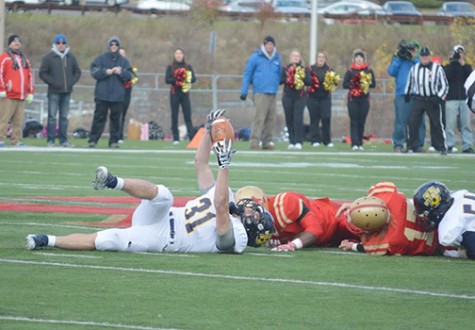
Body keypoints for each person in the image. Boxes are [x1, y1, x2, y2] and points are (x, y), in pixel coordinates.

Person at [26, 110, 248, 254]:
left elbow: (220, 208)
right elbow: (200, 163)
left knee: (109, 240)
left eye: (255, 211)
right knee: (164, 195)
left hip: (161, 238)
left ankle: (47, 240)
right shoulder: (225, 194)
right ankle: (113, 181)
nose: (251, 205)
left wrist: (224, 165)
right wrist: (209, 132)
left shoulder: (236, 235)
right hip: (163, 216)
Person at [234, 186, 357, 251]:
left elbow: (315, 229)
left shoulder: (284, 203)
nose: (250, 219)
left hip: (333, 219)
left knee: (360, 224)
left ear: (262, 202)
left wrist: (293, 245)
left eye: (252, 212)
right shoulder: (253, 225)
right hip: (327, 241)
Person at [338, 181, 439, 256]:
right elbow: (374, 197)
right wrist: (358, 206)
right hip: (438, 216)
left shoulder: (389, 241)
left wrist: (351, 246)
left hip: (438, 245)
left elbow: (366, 247)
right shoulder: (389, 196)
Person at [88, 36, 132, 149]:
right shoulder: (101, 58)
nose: (114, 47)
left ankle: (114, 141)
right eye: (112, 44)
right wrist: (105, 72)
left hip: (117, 96)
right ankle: (93, 140)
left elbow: (130, 76)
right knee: (99, 118)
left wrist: (121, 72)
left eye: (116, 45)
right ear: (109, 46)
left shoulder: (124, 61)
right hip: (102, 95)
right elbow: (94, 71)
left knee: (116, 120)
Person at [413, 181, 475, 259]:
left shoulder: (451, 226)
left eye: (425, 214)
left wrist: (464, 254)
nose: (424, 218)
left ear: (436, 211)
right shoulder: (461, 196)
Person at [39, 33, 82, 148]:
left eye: (63, 43)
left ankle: (63, 141)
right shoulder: (49, 57)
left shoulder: (71, 57)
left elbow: (77, 71)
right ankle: (51, 140)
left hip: (66, 92)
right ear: (55, 44)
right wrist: (52, 82)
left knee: (64, 117)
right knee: (52, 117)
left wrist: (71, 82)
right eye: (58, 43)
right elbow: (42, 73)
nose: (61, 45)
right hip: (53, 92)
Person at [405, 46, 449, 155]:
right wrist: (407, 93)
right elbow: (410, 82)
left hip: (432, 98)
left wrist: (439, 97)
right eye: (422, 56)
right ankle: (411, 146)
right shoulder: (414, 68)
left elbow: (445, 85)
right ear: (420, 57)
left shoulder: (437, 69)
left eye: (426, 56)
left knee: (437, 124)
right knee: (412, 122)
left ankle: (442, 146)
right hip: (419, 98)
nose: (424, 58)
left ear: (430, 57)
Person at [240, 36, 282, 150]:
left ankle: (267, 141)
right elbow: (247, 74)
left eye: (271, 44)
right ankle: (254, 141)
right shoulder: (256, 57)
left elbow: (279, 74)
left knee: (271, 118)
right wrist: (244, 90)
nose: (270, 46)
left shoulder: (277, 58)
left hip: (272, 92)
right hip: (260, 92)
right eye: (268, 44)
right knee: (259, 117)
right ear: (264, 45)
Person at [387, 40, 426, 153]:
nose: (412, 51)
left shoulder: (418, 59)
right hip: (402, 94)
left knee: (419, 121)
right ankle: (398, 144)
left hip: (417, 93)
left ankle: (417, 145)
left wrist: (412, 58)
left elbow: (422, 68)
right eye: (410, 49)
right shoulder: (399, 59)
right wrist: (399, 58)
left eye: (414, 49)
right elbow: (391, 71)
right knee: (401, 121)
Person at [0, 34, 34, 148]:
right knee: (3, 119)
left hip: (21, 95)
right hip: (8, 95)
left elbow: (30, 76)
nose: (17, 43)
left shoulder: (24, 59)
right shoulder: (4, 57)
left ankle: (17, 140)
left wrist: (30, 92)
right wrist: (2, 89)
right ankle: (1, 139)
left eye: (19, 41)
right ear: (10, 43)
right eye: (14, 41)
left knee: (18, 121)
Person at [342, 49, 376, 151]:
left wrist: (364, 83)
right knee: (354, 121)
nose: (359, 59)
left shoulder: (368, 71)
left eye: (361, 57)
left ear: (364, 59)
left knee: (362, 121)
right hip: (353, 100)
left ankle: (360, 143)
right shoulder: (350, 71)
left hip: (364, 100)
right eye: (357, 57)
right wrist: (354, 84)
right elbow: (345, 84)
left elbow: (373, 84)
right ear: (354, 59)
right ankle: (354, 143)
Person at [443, 45, 473, 154]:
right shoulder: (449, 67)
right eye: (458, 52)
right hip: (451, 98)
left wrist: (463, 64)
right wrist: (453, 63)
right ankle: (450, 144)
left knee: (466, 124)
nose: (460, 55)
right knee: (450, 124)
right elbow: (446, 75)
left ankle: (467, 145)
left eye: (461, 52)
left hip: (464, 99)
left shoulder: (466, 67)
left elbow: (470, 76)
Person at [306, 51, 339, 148]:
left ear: (325, 59)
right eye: (319, 57)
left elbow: (335, 83)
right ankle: (314, 140)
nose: (321, 59)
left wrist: (331, 83)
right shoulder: (309, 69)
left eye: (323, 57)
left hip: (325, 98)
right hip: (312, 98)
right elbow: (306, 81)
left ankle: (327, 141)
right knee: (314, 119)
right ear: (316, 58)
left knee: (326, 118)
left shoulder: (329, 70)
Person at [165, 48, 196, 144]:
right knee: (174, 115)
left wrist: (185, 80)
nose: (178, 55)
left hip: (185, 94)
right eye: (177, 53)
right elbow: (167, 79)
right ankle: (175, 138)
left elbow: (193, 79)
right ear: (174, 56)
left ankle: (191, 137)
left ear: (183, 55)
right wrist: (176, 80)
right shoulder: (170, 67)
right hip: (175, 94)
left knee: (188, 115)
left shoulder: (188, 66)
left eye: (180, 53)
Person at [280, 49, 310, 150]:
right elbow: (280, 80)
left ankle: (299, 141)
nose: (296, 57)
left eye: (298, 56)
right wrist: (288, 78)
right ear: (290, 57)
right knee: (289, 118)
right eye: (294, 56)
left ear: (300, 57)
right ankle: (291, 141)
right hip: (287, 96)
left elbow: (309, 82)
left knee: (298, 118)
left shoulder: (304, 69)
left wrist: (300, 78)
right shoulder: (285, 68)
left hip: (300, 97)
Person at [118, 47, 138, 144]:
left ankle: (120, 135)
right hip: (117, 93)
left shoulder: (129, 66)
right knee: (117, 114)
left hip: (126, 93)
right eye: (120, 53)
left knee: (123, 114)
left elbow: (134, 77)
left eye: (123, 53)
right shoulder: (115, 66)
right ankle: (116, 135)